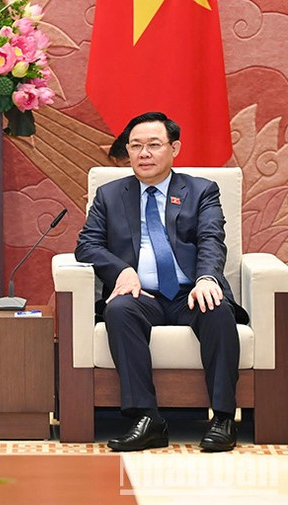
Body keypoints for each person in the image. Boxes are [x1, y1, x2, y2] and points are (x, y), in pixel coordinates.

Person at [75, 111, 247, 452]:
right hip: (142, 293)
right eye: (135, 145)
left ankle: (223, 418)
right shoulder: (110, 196)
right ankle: (147, 418)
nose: (143, 153)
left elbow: (212, 238)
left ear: (174, 148)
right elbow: (87, 245)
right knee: (119, 310)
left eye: (154, 145)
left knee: (216, 309)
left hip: (190, 292)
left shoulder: (201, 191)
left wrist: (207, 277)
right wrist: (121, 270)